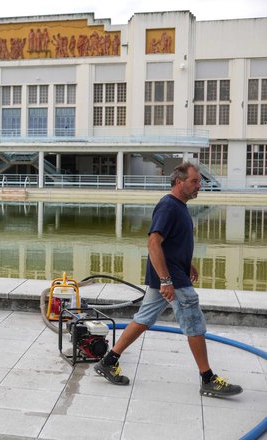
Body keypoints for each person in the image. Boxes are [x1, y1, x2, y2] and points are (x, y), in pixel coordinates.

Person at [94, 162, 243, 398]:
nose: (199, 186)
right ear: (179, 182)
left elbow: (173, 243)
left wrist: (187, 263)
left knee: (143, 319)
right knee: (194, 323)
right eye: (195, 181)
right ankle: (208, 379)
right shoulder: (168, 206)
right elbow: (153, 242)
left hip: (173, 273)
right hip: (171, 278)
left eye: (199, 182)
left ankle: (108, 361)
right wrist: (166, 280)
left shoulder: (179, 206)